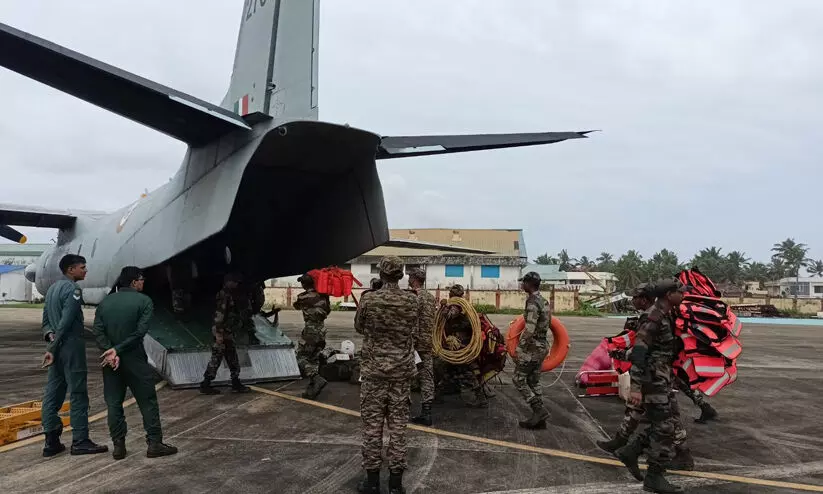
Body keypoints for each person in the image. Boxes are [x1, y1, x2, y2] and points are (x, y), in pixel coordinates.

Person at [92, 267, 177, 460]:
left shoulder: (105, 303)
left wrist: (110, 351)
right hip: (134, 358)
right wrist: (119, 350)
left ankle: (118, 446)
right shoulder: (144, 301)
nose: (143, 282)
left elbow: (98, 331)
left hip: (110, 361)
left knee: (114, 404)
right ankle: (154, 444)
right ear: (133, 282)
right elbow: (140, 332)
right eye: (141, 279)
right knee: (147, 401)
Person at [354, 256, 419, 494]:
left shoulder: (369, 299)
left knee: (372, 428)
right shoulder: (412, 301)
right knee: (398, 428)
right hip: (401, 374)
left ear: (381, 274)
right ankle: (395, 484)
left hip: (374, 373)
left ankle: (371, 482)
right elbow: (417, 328)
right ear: (401, 275)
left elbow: (360, 327)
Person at [616, 280, 687, 493]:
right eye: (680, 292)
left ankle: (631, 450)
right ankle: (654, 476)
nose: (683, 295)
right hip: (652, 379)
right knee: (665, 427)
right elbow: (639, 351)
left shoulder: (667, 314)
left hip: (662, 378)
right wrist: (636, 387)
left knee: (669, 423)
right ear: (668, 294)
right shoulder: (654, 317)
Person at [40, 254, 108, 457]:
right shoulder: (73, 289)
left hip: (56, 344)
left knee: (53, 392)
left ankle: (51, 440)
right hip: (71, 346)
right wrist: (53, 347)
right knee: (78, 393)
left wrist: (51, 340)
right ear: (71, 270)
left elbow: (46, 320)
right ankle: (80, 440)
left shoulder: (52, 289)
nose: (85, 271)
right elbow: (67, 320)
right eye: (82, 267)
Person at [435, 285, 488, 408]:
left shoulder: (457, 307)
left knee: (465, 372)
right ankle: (438, 394)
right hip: (457, 345)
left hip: (459, 346)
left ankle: (481, 398)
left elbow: (448, 316)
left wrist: (444, 306)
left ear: (451, 295)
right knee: (449, 370)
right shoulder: (464, 305)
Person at [200, 272, 251, 394]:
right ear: (228, 282)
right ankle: (206, 384)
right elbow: (219, 315)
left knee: (232, 357)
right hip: (222, 332)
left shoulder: (228, 294)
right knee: (216, 358)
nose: (236, 284)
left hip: (227, 332)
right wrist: (218, 334)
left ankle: (235, 382)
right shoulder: (224, 295)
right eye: (234, 281)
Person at [513, 271, 551, 429]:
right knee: (533, 381)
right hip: (542, 346)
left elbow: (529, 328)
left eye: (524, 282)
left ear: (529, 284)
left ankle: (538, 410)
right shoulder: (544, 300)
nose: (522, 285)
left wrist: (520, 347)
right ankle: (540, 420)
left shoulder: (532, 302)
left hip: (533, 347)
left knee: (518, 379)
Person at [293, 273, 332, 399]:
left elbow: (296, 306)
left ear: (304, 284)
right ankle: (312, 390)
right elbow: (328, 310)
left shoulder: (302, 297)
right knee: (314, 360)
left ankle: (317, 379)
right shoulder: (324, 296)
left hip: (310, 332)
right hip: (321, 331)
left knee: (301, 358)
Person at [408, 268, 436, 426]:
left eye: (410, 277)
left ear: (413, 279)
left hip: (415, 343)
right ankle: (427, 412)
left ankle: (401, 409)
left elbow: (414, 321)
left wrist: (411, 343)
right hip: (427, 343)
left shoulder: (414, 296)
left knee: (405, 375)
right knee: (427, 377)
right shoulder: (431, 297)